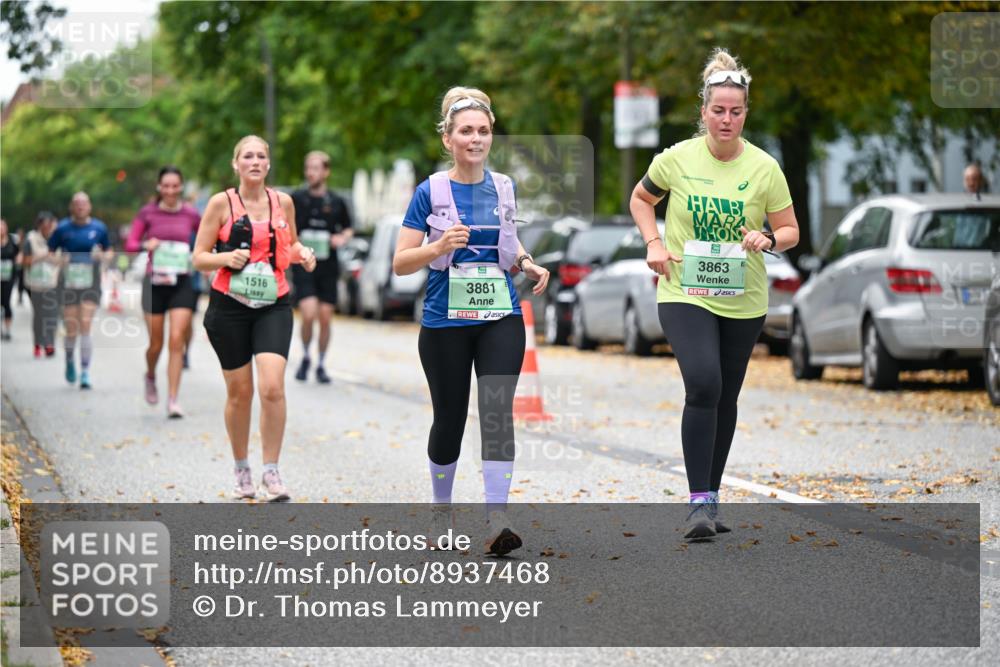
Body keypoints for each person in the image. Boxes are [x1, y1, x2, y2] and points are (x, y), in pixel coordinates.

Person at [629, 49, 799, 540]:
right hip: (685, 290)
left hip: (743, 296)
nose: (727, 119)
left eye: (736, 111)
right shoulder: (677, 159)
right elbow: (642, 199)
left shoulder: (765, 168)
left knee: (725, 393)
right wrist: (655, 242)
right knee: (703, 382)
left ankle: (712, 496)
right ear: (703, 111)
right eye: (718, 110)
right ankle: (697, 502)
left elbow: (789, 230)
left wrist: (767, 239)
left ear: (746, 113)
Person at [393, 87, 550, 556]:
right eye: (466, 131)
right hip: (445, 321)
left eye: (483, 131)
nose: (476, 139)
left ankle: (497, 517)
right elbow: (401, 262)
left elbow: (508, 245)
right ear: (448, 139)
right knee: (450, 417)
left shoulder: (503, 187)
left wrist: (527, 263)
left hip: (499, 313)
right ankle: (442, 513)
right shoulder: (431, 191)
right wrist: (439, 247)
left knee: (498, 414)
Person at [192, 135, 317, 502]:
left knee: (273, 387)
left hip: (273, 303)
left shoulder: (284, 203)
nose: (255, 161)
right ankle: (242, 469)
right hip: (229, 306)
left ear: (268, 164)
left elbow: (289, 246)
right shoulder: (221, 203)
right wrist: (223, 259)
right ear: (236, 164)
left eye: (261, 156)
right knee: (240, 392)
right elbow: (198, 256)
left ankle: (271, 472)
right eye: (248, 156)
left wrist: (304, 254)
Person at [125, 166, 202, 418]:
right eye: (165, 186)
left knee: (176, 341)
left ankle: (173, 399)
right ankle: (150, 375)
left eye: (175, 186)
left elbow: (206, 239)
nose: (170, 190)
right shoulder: (148, 213)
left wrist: (200, 255)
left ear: (181, 187)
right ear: (159, 187)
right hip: (154, 283)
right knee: (156, 344)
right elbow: (131, 244)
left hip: (181, 281)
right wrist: (147, 244)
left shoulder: (191, 214)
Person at [290, 150, 353, 384]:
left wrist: (341, 238)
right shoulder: (297, 198)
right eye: (308, 168)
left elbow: (348, 228)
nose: (310, 173)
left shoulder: (336, 201)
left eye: (316, 168)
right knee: (308, 314)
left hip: (328, 265)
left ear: (326, 172)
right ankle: (306, 355)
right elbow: (286, 225)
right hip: (304, 264)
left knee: (325, 317)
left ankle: (322, 363)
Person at [48, 192, 113, 389]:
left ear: (90, 206)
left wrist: (102, 256)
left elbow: (110, 252)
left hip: (90, 282)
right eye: (77, 204)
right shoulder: (62, 228)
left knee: (85, 325)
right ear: (71, 207)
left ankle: (85, 371)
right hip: (68, 283)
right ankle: (69, 360)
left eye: (84, 203)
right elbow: (49, 253)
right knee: (71, 329)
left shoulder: (99, 228)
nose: (80, 207)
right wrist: (60, 260)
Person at [21, 211, 60, 357]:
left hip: (51, 283)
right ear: (40, 225)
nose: (49, 227)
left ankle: (49, 344)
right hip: (34, 284)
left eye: (51, 224)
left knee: (51, 315)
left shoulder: (56, 239)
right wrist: (42, 256)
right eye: (46, 224)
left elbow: (59, 260)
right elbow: (24, 261)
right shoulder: (30, 239)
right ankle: (37, 344)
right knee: (39, 315)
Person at [0, 219, 20, 341]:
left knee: (6, 302)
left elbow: (19, 253)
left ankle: (7, 329)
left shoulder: (13, 240)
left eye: (2, 226)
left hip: (9, 276)